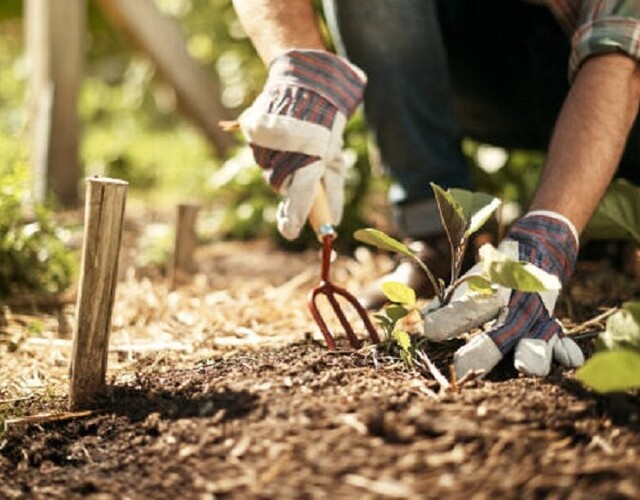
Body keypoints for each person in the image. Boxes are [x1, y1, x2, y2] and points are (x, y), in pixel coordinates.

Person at [231, 0, 640, 378]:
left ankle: (614, 221)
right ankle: (439, 236)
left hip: (616, 72)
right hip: (484, 59)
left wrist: (550, 232)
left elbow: (619, 61)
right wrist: (299, 65)